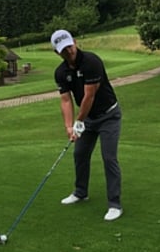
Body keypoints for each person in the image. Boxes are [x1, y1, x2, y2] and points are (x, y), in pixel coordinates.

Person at [51, 29, 122, 221]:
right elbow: (65, 100)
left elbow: (89, 95)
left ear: (74, 42)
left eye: (69, 46)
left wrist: (79, 122)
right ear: (57, 52)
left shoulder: (91, 62)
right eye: (63, 50)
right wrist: (68, 127)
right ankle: (81, 192)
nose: (69, 51)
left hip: (108, 115)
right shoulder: (60, 73)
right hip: (88, 120)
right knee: (80, 154)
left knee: (109, 157)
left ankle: (114, 204)